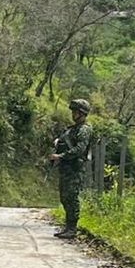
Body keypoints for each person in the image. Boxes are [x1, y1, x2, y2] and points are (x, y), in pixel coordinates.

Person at [49, 98, 94, 239]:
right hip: (66, 168)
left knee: (71, 197)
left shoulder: (84, 130)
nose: (73, 114)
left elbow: (79, 149)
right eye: (73, 111)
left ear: (82, 113)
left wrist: (61, 156)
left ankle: (72, 228)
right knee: (64, 197)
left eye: (76, 112)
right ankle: (68, 227)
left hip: (75, 169)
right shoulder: (71, 130)